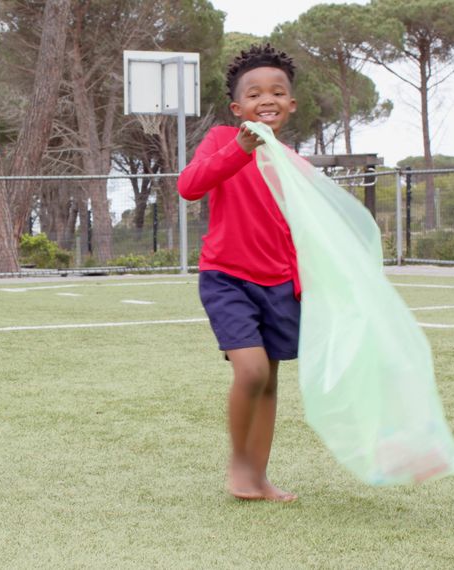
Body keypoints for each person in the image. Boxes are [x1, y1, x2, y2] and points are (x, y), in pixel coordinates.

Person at [177, 44, 301, 502]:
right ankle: (238, 464)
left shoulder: (291, 159)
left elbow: (297, 231)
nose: (265, 99)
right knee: (249, 373)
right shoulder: (221, 140)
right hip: (227, 277)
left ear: (291, 104)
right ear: (237, 107)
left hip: (281, 284)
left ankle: (259, 477)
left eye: (276, 92)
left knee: (269, 382)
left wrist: (303, 284)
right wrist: (238, 149)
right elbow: (189, 187)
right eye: (254, 94)